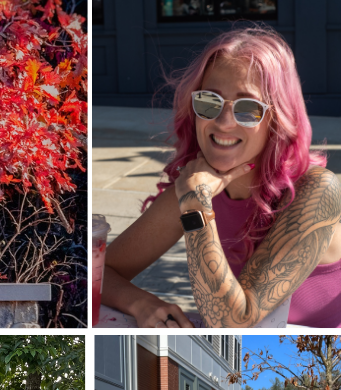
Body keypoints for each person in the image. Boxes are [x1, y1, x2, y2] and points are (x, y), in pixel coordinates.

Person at [100, 27, 341, 329]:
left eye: (248, 108)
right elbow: (97, 272)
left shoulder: (317, 189)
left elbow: (233, 322)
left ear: (277, 118)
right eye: (209, 102)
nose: (224, 122)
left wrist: (195, 206)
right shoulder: (197, 186)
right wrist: (140, 302)